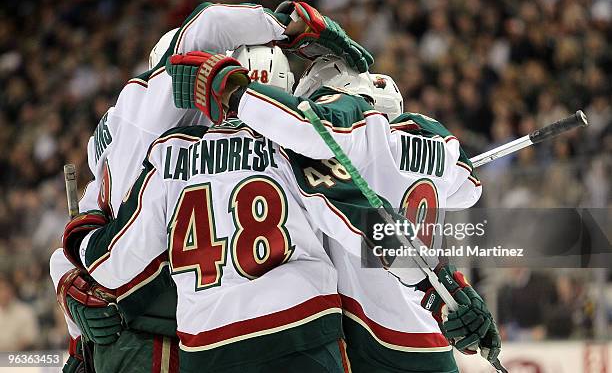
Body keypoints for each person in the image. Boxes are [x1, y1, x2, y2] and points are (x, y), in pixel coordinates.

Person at [51, 0, 370, 373]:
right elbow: (366, 227)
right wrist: (442, 287)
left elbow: (102, 252)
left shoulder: (170, 150)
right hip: (294, 328)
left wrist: (72, 296)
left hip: (200, 339)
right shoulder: (296, 143)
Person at [167, 53, 501, 372]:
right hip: (431, 325)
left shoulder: (346, 142)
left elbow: (317, 140)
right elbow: (469, 189)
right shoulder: (439, 141)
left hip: (367, 331)